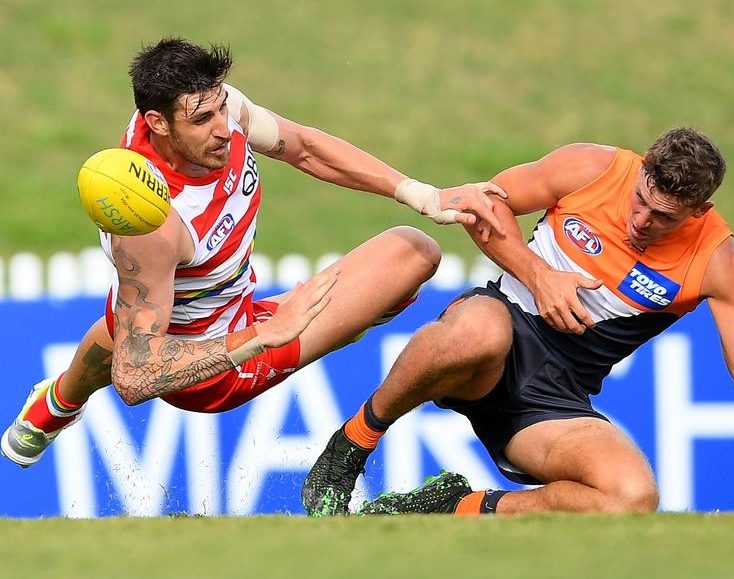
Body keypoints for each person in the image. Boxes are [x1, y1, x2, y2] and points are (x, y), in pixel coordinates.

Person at [0, 37, 507, 468]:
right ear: (157, 123)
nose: (224, 127)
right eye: (203, 119)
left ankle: (57, 403)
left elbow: (304, 147)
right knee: (414, 254)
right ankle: (344, 341)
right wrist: (263, 336)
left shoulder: (210, 110)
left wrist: (421, 193)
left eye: (222, 106)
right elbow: (135, 377)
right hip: (214, 369)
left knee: (128, 318)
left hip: (189, 302)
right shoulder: (153, 226)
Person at [302, 127, 734, 516]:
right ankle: (352, 445)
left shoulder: (716, 262)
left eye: (664, 217)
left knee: (631, 496)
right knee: (478, 333)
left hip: (554, 396)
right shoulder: (593, 167)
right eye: (641, 200)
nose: (641, 221)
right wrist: (539, 276)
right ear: (643, 166)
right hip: (497, 326)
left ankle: (451, 508)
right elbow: (482, 205)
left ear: (699, 211)